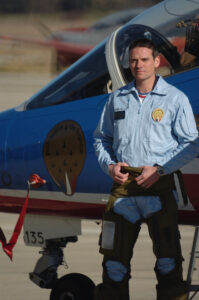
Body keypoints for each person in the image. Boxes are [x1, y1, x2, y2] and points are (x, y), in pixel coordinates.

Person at [93, 38, 198, 300]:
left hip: (158, 189)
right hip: (123, 190)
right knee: (113, 266)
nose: (138, 65)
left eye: (144, 60)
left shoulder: (175, 99)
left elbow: (192, 143)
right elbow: (101, 138)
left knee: (168, 264)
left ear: (156, 62)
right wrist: (109, 165)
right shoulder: (117, 99)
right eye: (133, 61)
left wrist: (161, 170)